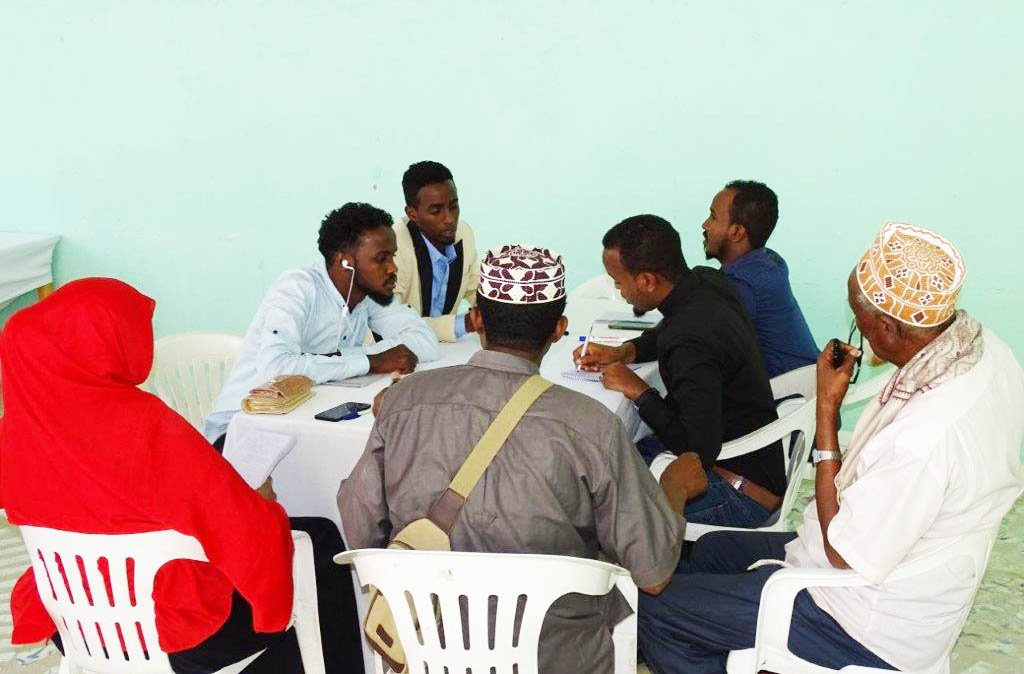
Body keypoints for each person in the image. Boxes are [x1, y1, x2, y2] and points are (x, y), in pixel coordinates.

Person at [637, 222, 1024, 673]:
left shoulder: (925, 438)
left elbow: (843, 554)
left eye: (858, 325)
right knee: (705, 551)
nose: (857, 337)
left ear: (886, 325)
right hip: (899, 559)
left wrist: (826, 413)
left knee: (657, 615)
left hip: (858, 621)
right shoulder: (985, 350)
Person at [339, 245, 687, 674]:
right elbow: (653, 574)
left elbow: (361, 528)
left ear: (479, 319)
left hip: (425, 648)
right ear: (560, 328)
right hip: (555, 658)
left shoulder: (401, 401)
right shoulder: (592, 427)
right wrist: (674, 489)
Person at [0, 279, 364, 673]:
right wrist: (260, 499)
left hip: (79, 621)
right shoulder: (143, 424)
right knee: (318, 538)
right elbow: (240, 529)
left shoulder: (13, 434)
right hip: (175, 632)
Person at [576, 215, 784, 529]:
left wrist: (639, 391)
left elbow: (696, 448)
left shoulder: (689, 342)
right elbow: (668, 329)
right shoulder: (705, 282)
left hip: (738, 493)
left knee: (598, 506)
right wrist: (625, 351)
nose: (618, 290)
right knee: (614, 455)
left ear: (646, 281)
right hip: (753, 461)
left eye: (618, 281)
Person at [204, 202, 439, 445]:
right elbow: (275, 369)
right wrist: (371, 361)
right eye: (381, 258)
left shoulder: (369, 294)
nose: (392, 267)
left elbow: (425, 342)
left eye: (392, 256)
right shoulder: (297, 288)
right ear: (344, 262)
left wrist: (350, 356)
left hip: (306, 425)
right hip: (240, 429)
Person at [701, 180, 818, 378]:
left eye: (713, 217)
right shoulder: (767, 259)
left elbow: (695, 334)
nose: (705, 225)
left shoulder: (743, 284)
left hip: (786, 396)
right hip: (807, 383)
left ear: (737, 232)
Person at [393, 160, 480, 342]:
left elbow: (476, 290)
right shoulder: (393, 248)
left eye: (454, 206)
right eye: (436, 211)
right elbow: (393, 324)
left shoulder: (464, 234)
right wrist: (461, 324)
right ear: (413, 214)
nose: (449, 218)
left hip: (448, 353)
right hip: (401, 353)